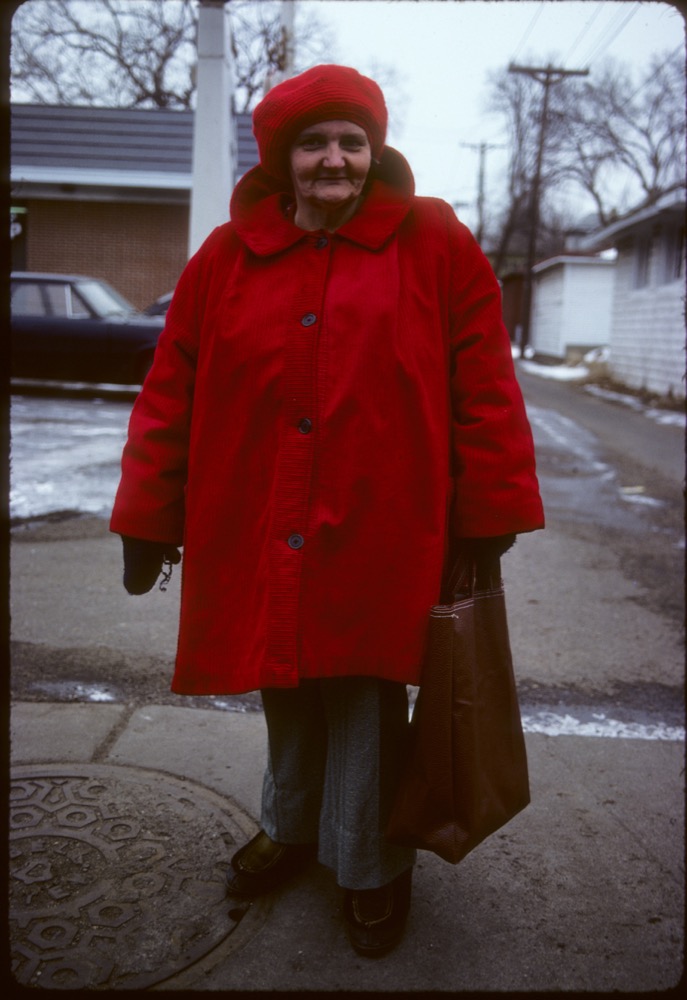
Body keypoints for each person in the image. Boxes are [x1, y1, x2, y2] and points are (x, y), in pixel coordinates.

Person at [111, 64, 544, 958]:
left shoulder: (432, 241)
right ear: (283, 159)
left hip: (385, 521)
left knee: (363, 691)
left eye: (351, 141)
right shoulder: (224, 258)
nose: (333, 159)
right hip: (256, 518)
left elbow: (485, 382)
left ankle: (372, 866)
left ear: (373, 149)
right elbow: (170, 391)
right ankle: (295, 825)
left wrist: (488, 507)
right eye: (313, 143)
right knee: (287, 680)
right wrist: (148, 516)